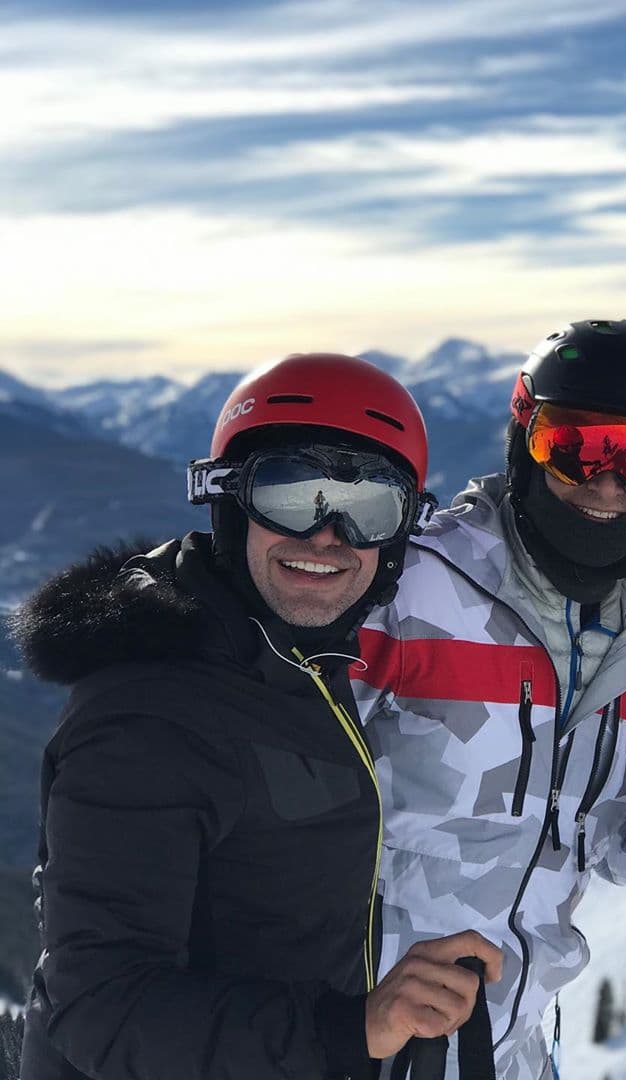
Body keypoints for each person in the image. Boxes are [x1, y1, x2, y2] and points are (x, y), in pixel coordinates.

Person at [12, 353, 501, 1080]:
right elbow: (99, 1009)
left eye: (368, 508)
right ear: (229, 504)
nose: (328, 534)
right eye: (292, 493)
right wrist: (350, 1029)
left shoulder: (296, 664)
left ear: (398, 540)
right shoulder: (151, 714)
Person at [351, 319, 626, 1079]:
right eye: (576, 448)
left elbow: (615, 830)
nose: (609, 484)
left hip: (509, 1048)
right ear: (525, 443)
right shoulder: (411, 585)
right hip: (356, 1034)